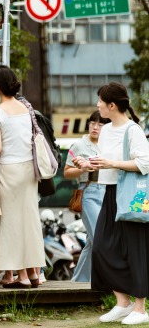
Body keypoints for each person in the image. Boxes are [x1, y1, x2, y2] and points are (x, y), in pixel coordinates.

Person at [89, 82, 149, 325]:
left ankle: (140, 308)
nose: (97, 105)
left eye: (100, 101)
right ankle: (122, 302)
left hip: (132, 196)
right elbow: (106, 161)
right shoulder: (105, 130)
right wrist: (90, 164)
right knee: (101, 248)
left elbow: (144, 163)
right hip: (111, 193)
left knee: (135, 249)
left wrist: (111, 164)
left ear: (111, 105)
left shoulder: (132, 130)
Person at [0, 67, 44, 289]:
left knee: (9, 222)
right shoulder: (26, 108)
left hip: (9, 169)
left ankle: (20, 276)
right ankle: (33, 272)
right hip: (30, 169)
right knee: (29, 219)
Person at [64, 111, 109, 283]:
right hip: (88, 191)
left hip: (106, 192)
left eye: (100, 124)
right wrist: (83, 169)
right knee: (99, 237)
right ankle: (107, 280)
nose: (95, 127)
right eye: (92, 123)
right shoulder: (79, 145)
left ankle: (79, 281)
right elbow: (67, 173)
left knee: (92, 240)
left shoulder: (108, 145)